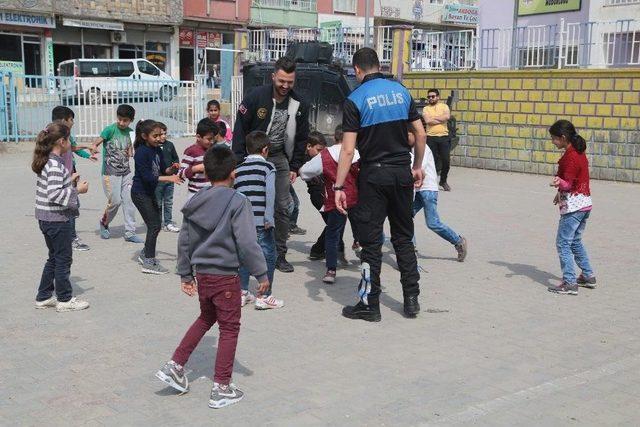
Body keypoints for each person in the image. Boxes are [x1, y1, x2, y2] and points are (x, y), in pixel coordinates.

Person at [156, 145, 270, 409]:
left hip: (203, 276)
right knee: (229, 328)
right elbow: (248, 242)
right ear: (234, 173)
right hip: (226, 277)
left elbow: (184, 242)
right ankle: (221, 387)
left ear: (205, 172)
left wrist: (185, 273)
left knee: (206, 318)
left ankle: (174, 365)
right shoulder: (238, 201)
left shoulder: (195, 201)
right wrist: (261, 273)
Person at [334, 47, 426, 322]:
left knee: (371, 243)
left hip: (373, 176)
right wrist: (417, 166)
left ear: (357, 70)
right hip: (401, 175)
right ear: (378, 65)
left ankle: (370, 305)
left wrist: (339, 187)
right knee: (403, 238)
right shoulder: (401, 91)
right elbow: (420, 134)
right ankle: (411, 300)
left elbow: (348, 151)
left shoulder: (355, 99)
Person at [232, 56, 310, 273]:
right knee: (247, 203)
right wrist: (238, 162)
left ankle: (279, 253)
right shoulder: (255, 97)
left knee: (283, 206)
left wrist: (295, 165)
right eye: (281, 81)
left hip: (279, 159)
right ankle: (244, 249)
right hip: (251, 156)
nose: (285, 86)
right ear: (273, 76)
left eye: (290, 82)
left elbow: (302, 137)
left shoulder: (300, 104)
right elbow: (239, 130)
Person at [32, 122, 90, 312]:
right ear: (61, 141)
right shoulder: (55, 165)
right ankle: (64, 299)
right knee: (63, 260)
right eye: (69, 139)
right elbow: (55, 194)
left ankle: (44, 296)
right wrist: (77, 190)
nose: (70, 143)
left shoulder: (47, 160)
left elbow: (53, 187)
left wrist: (69, 181)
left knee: (54, 258)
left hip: (46, 218)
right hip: (56, 219)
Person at [300, 131, 360, 284]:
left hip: (335, 198)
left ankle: (331, 270)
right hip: (356, 197)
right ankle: (361, 250)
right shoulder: (358, 153)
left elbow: (304, 171)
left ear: (335, 137)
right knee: (362, 228)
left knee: (332, 233)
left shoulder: (325, 154)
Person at [234, 131, 283, 310]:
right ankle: (264, 296)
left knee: (244, 256)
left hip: (242, 223)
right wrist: (269, 218)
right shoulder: (268, 168)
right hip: (262, 222)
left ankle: (242, 292)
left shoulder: (238, 169)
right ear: (265, 150)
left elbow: (236, 196)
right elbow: (270, 194)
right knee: (269, 256)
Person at [547, 120, 596, 295]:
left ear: (563, 137)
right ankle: (588, 275)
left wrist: (558, 183)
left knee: (563, 243)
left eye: (554, 139)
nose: (553, 142)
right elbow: (573, 182)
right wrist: (559, 192)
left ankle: (569, 282)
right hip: (585, 205)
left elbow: (568, 183)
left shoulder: (571, 157)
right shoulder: (578, 152)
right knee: (575, 241)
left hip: (574, 207)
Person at [131, 120, 183, 274]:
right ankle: (148, 262)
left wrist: (172, 169)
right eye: (156, 135)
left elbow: (162, 171)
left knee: (155, 225)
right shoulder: (141, 152)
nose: (160, 138)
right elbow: (147, 177)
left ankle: (145, 253)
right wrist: (169, 179)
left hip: (149, 193)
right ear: (144, 136)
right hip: (140, 194)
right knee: (154, 225)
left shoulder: (157, 150)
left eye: (161, 134)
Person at [411, 137, 467, 261]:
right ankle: (411, 248)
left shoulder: (422, 147)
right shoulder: (408, 148)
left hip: (428, 190)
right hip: (417, 190)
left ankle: (458, 241)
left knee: (432, 223)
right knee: (406, 217)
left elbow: (419, 168)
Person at [92, 104, 142, 243]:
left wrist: (131, 152)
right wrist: (94, 146)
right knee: (115, 201)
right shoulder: (110, 130)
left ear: (131, 120)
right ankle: (104, 222)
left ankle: (130, 232)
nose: (121, 122)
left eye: (125, 120)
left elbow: (132, 152)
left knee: (129, 200)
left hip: (126, 172)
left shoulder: (131, 133)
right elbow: (98, 140)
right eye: (119, 119)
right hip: (110, 172)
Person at [51, 106, 97, 251]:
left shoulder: (66, 134)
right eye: (71, 120)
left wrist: (87, 153)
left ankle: (68, 237)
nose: (73, 123)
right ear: (64, 120)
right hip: (63, 177)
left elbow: (74, 148)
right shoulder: (54, 137)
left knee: (72, 206)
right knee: (69, 206)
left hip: (70, 174)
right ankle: (70, 238)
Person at [179, 118, 218, 200]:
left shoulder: (213, 150)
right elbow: (180, 174)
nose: (211, 142)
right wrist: (195, 169)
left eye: (213, 139)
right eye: (209, 139)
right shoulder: (191, 151)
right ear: (198, 137)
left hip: (211, 193)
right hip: (195, 195)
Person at [423, 88, 452, 191]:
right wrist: (440, 118)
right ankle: (430, 182)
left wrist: (434, 118)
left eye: (433, 96)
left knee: (446, 161)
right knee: (431, 162)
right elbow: (427, 121)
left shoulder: (444, 106)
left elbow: (447, 117)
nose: (430, 98)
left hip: (444, 137)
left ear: (438, 97)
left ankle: (443, 181)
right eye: (429, 97)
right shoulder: (426, 109)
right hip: (431, 138)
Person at [155, 122, 181, 233]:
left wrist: (176, 164)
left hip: (170, 178)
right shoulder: (153, 147)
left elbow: (176, 158)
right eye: (161, 134)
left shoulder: (170, 145)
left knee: (168, 201)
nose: (164, 136)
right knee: (158, 202)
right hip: (158, 180)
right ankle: (157, 223)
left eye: (165, 133)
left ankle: (168, 223)